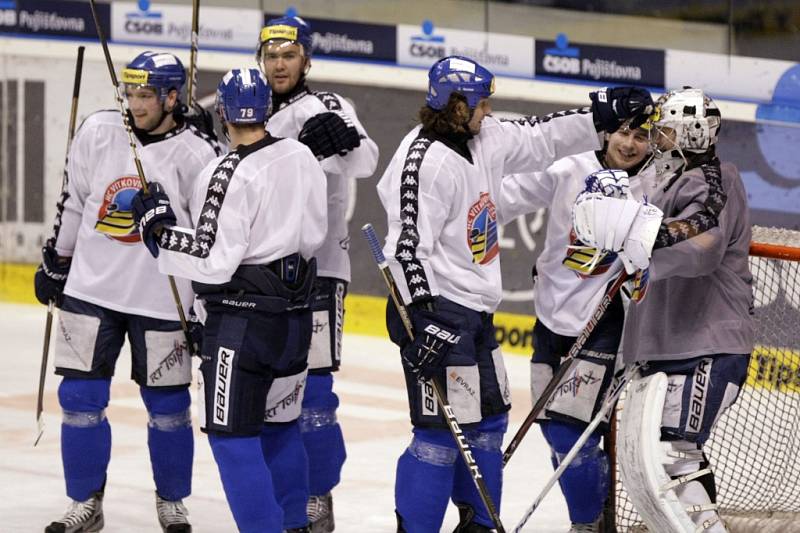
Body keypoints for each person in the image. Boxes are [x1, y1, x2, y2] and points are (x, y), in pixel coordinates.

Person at [376, 54, 654, 533]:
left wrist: (600, 117)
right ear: (455, 105)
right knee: (439, 438)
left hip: (475, 316)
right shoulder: (420, 162)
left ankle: (478, 525)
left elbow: (539, 136)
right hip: (436, 312)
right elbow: (404, 249)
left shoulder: (483, 137)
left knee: (487, 427)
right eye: (481, 104)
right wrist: (425, 319)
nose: (488, 111)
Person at [132, 68, 327, 533]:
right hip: (297, 319)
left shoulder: (223, 172)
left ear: (222, 112)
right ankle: (295, 524)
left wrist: (156, 228)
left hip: (244, 327)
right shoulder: (301, 155)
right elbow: (313, 232)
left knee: (231, 437)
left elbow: (210, 259)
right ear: (265, 108)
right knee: (281, 427)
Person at [33, 51, 219, 533]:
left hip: (162, 300)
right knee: (79, 398)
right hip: (91, 289)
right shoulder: (98, 130)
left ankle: (172, 501)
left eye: (146, 95)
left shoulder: (200, 153)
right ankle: (85, 502)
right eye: (130, 93)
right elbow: (73, 200)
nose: (134, 104)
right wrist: (58, 258)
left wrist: (202, 309)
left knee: (170, 409)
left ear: (172, 98)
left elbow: (208, 238)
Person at [572, 87, 752, 532]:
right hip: (662, 346)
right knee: (653, 460)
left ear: (692, 133)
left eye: (667, 129)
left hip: (707, 343)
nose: (658, 137)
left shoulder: (716, 179)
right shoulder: (661, 181)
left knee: (675, 454)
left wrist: (638, 238)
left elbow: (702, 250)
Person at [255, 15, 379, 531]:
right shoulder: (244, 105)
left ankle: (317, 495)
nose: (279, 65)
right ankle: (279, 490)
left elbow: (368, 161)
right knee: (265, 389)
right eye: (271, 57)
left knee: (316, 393)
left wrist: (346, 140)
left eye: (288, 55)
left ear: (306, 58)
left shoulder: (328, 106)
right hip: (257, 274)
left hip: (320, 271)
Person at [515, 125, 650, 532]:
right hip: (549, 320)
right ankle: (595, 514)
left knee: (570, 435)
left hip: (602, 323)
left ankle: (586, 524)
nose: (629, 144)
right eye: (623, 133)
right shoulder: (568, 167)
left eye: (642, 135)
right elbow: (504, 196)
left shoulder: (656, 184)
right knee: (556, 434)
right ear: (605, 133)